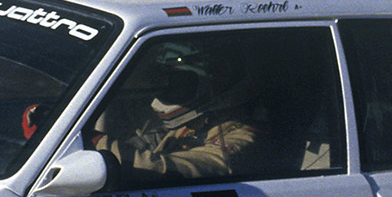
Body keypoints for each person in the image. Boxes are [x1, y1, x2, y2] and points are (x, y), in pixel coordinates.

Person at [88, 38, 263, 180]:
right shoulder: (194, 123)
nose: (166, 91)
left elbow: (163, 169)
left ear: (215, 84)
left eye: (178, 84)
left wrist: (96, 141)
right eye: (162, 79)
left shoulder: (242, 136)